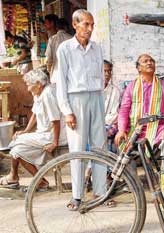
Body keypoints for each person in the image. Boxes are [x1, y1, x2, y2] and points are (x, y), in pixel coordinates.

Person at [56, 9, 107, 211]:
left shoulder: (96, 48)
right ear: (75, 24)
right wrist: (67, 110)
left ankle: (100, 191)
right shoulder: (65, 48)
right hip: (76, 100)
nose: (90, 28)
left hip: (96, 97)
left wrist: (100, 99)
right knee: (77, 148)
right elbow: (61, 82)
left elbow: (101, 78)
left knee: (99, 146)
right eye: (86, 24)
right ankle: (77, 195)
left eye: (92, 25)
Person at [0, 69, 67, 190]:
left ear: (38, 84)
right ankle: (38, 181)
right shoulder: (38, 93)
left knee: (16, 144)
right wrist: (25, 130)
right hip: (44, 133)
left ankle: (14, 177)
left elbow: (55, 120)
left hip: (52, 135)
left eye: (29, 84)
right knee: (17, 148)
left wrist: (55, 142)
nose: (27, 87)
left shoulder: (48, 94)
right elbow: (35, 114)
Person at [115, 54, 164, 170]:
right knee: (122, 141)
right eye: (145, 61)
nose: (149, 63)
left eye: (151, 61)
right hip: (136, 129)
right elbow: (124, 109)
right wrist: (121, 130)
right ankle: (131, 182)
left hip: (158, 128)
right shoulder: (131, 87)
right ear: (139, 68)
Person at [45, 18, 72, 83]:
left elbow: (48, 58)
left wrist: (49, 70)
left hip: (56, 74)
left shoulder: (52, 39)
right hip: (70, 75)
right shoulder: (71, 38)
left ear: (57, 28)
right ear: (66, 27)